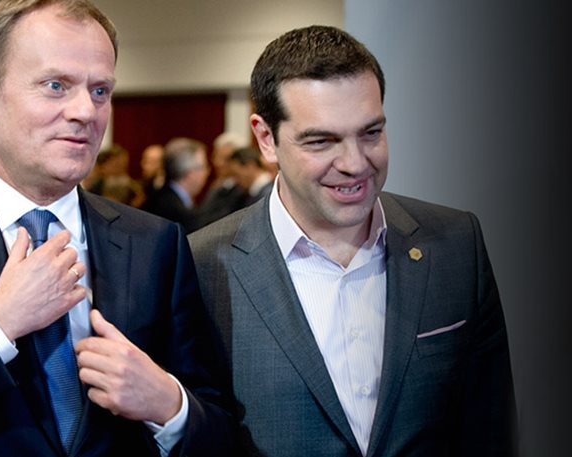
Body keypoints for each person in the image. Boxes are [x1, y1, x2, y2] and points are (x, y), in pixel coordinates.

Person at [0, 1, 233, 455]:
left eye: (100, 90)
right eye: (56, 85)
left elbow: (218, 427)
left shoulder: (155, 243)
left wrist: (168, 405)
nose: (85, 111)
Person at [189, 25, 517, 456]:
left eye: (370, 133)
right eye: (321, 141)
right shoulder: (203, 266)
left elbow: (490, 428)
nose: (355, 163)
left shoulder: (455, 244)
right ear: (266, 139)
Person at [143, 137, 210, 233]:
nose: (207, 172)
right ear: (190, 174)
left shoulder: (158, 198)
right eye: (203, 167)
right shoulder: (179, 215)